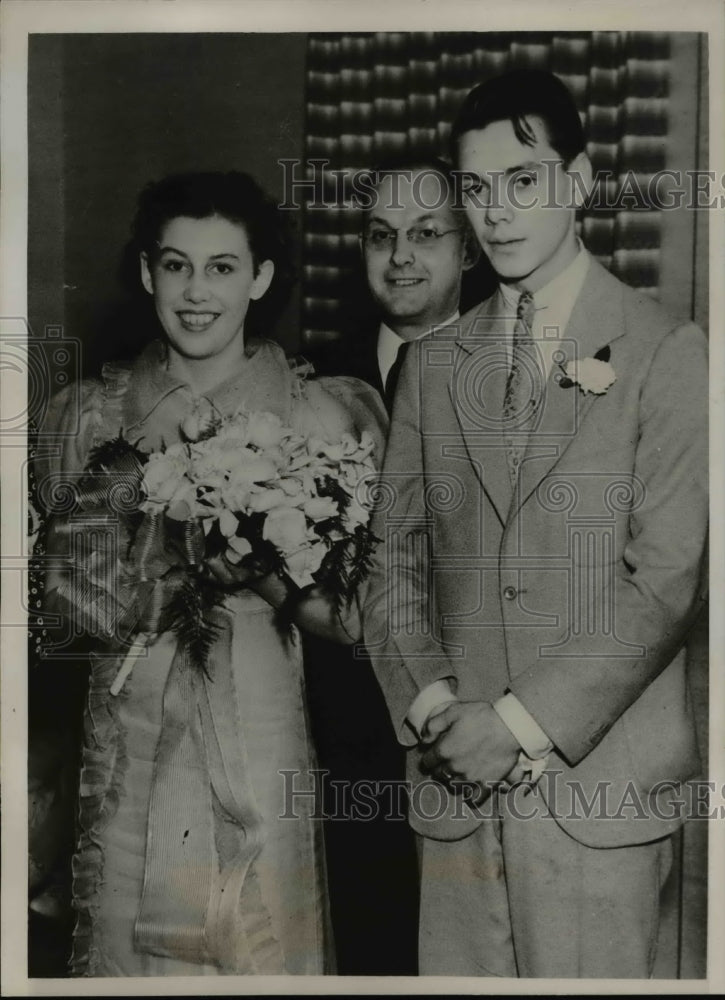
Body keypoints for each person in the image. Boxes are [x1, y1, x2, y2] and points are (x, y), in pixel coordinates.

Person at [363, 69, 708, 978]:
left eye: (525, 179)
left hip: (598, 800)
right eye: (476, 189)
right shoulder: (432, 367)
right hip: (454, 803)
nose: (498, 212)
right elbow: (390, 562)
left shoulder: (667, 351)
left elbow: (664, 580)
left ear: (582, 180)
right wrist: (439, 709)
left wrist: (514, 723)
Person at [34, 170, 385, 976]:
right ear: (148, 274)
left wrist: (260, 565)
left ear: (259, 279)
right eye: (177, 265)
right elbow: (64, 611)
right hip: (129, 720)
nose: (197, 292)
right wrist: (149, 507)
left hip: (266, 715)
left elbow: (355, 615)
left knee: (262, 927)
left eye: (222, 267)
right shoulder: (88, 415)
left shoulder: (323, 415)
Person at [303, 158, 478, 975]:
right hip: (343, 729)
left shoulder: (521, 372)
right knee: (367, 951)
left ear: (469, 251)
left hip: (470, 723)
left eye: (424, 235)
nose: (400, 256)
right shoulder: (306, 381)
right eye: (380, 237)